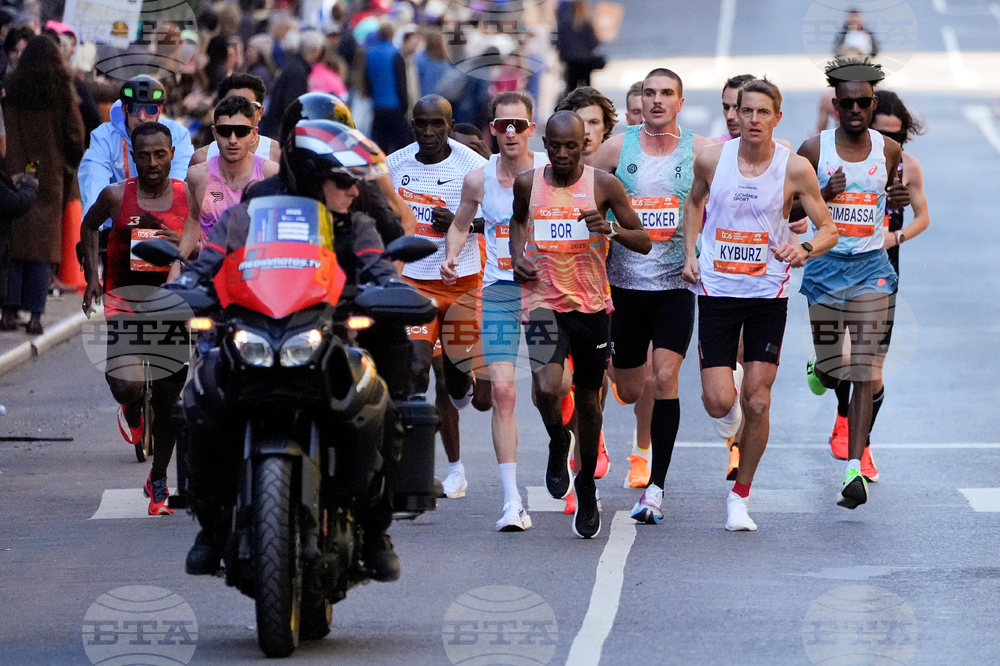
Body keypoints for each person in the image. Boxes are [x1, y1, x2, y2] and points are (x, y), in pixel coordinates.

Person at [178, 119, 405, 581]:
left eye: (355, 180)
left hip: (327, 340)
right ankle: (209, 524)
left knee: (382, 409)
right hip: (254, 334)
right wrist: (186, 285)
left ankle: (376, 529)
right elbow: (207, 262)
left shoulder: (356, 225)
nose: (354, 189)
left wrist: (391, 289)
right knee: (197, 401)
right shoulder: (245, 216)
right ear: (313, 179)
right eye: (343, 181)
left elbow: (379, 269)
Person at [681, 78, 839, 531]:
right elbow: (694, 204)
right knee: (717, 401)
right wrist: (690, 253)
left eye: (762, 113)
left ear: (776, 118)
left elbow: (828, 228)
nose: (752, 120)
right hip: (716, 291)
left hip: (767, 293)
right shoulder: (713, 158)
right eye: (745, 111)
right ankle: (731, 426)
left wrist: (804, 250)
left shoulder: (794, 169)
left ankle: (740, 497)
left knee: (757, 398)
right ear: (737, 114)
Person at [509, 110, 651, 539]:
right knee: (549, 387)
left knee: (590, 403)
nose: (564, 153)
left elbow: (643, 240)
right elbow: (518, 220)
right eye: (556, 146)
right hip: (542, 301)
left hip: (591, 306)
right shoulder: (528, 183)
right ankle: (557, 440)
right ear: (546, 145)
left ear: (584, 145)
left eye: (573, 146)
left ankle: (585, 485)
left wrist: (608, 228)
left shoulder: (603, 185)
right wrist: (517, 256)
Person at [592, 68, 714, 524]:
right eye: (649, 93)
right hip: (623, 286)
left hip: (675, 286)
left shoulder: (700, 152)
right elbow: (580, 193)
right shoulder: (615, 149)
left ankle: (656, 489)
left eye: (667, 94)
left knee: (665, 379)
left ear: (680, 102)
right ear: (639, 100)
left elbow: (736, 195)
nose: (657, 101)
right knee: (628, 388)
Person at [794, 59, 909, 504]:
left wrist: (895, 199)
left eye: (864, 102)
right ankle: (819, 368)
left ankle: (853, 468)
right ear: (836, 106)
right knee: (831, 366)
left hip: (870, 268)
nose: (856, 109)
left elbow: (890, 198)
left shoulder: (889, 152)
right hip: (824, 267)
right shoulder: (813, 150)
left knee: (863, 365)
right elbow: (790, 214)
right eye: (848, 103)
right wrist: (824, 196)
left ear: (873, 102)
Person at [441, 91, 548, 531]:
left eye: (518, 125)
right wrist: (452, 255)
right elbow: (462, 223)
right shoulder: (478, 179)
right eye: (502, 125)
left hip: (546, 297)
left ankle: (563, 449)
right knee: (503, 393)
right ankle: (511, 501)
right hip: (500, 294)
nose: (509, 133)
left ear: (531, 129)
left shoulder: (551, 173)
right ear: (491, 130)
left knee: (552, 391)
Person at [80, 123, 196, 515]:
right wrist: (93, 279)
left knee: (168, 403)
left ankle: (158, 478)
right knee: (127, 386)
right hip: (125, 303)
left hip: (171, 308)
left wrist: (178, 236)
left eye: (160, 154)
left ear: (171, 154)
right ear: (132, 153)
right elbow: (89, 225)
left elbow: (204, 242)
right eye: (144, 155)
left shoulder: (188, 197)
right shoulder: (116, 196)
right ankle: (132, 407)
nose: (152, 163)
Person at [385, 94, 488, 499]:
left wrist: (466, 222)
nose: (429, 133)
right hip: (415, 281)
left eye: (437, 125)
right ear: (412, 125)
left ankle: (464, 382)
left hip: (462, 281)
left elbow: (501, 217)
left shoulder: (472, 166)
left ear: (450, 124)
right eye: (421, 125)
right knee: (415, 369)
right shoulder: (395, 165)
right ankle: (432, 469)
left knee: (456, 381)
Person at [823, 90, 930, 462]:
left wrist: (894, 236)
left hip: (881, 275)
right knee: (841, 361)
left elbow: (922, 218)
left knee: (869, 369)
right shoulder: (844, 162)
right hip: (836, 270)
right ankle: (842, 412)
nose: (893, 143)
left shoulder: (909, 168)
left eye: (899, 137)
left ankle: (860, 442)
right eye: (886, 135)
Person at [0, 34, 85, 335]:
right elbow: (76, 136)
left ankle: (8, 312)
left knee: (15, 245)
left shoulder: (11, 90)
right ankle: (35, 316)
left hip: (12, 173)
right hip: (49, 177)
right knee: (43, 250)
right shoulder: (61, 92)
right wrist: (67, 162)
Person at [78, 75, 195, 231]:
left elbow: (177, 183)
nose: (141, 117)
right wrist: (97, 231)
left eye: (150, 110)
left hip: (163, 224)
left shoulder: (178, 135)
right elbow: (94, 183)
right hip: (115, 226)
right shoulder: (103, 137)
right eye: (134, 108)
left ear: (159, 111)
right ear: (124, 110)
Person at [180, 95, 279, 266]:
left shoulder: (271, 174)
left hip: (255, 276)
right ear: (214, 133)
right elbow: (195, 219)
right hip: (210, 276)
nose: (233, 139)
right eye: (225, 131)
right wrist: (177, 263)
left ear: (254, 134)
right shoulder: (197, 175)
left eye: (241, 131)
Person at [189, 73, 282, 167]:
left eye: (247, 107)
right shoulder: (202, 158)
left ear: (260, 113)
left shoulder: (277, 155)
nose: (238, 113)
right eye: (230, 105)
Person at [259, 30, 325, 139]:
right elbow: (291, 104)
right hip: (280, 132)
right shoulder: (298, 72)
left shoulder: (294, 66)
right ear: (315, 50)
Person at [365, 22, 412, 155]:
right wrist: (405, 104)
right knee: (402, 144)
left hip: (377, 105)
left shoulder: (371, 53)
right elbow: (401, 82)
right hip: (394, 105)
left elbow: (367, 79)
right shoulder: (394, 53)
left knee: (380, 146)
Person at [554, 85, 616, 167]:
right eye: (578, 123)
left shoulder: (620, 171)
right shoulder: (551, 171)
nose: (586, 131)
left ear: (606, 127)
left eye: (593, 122)